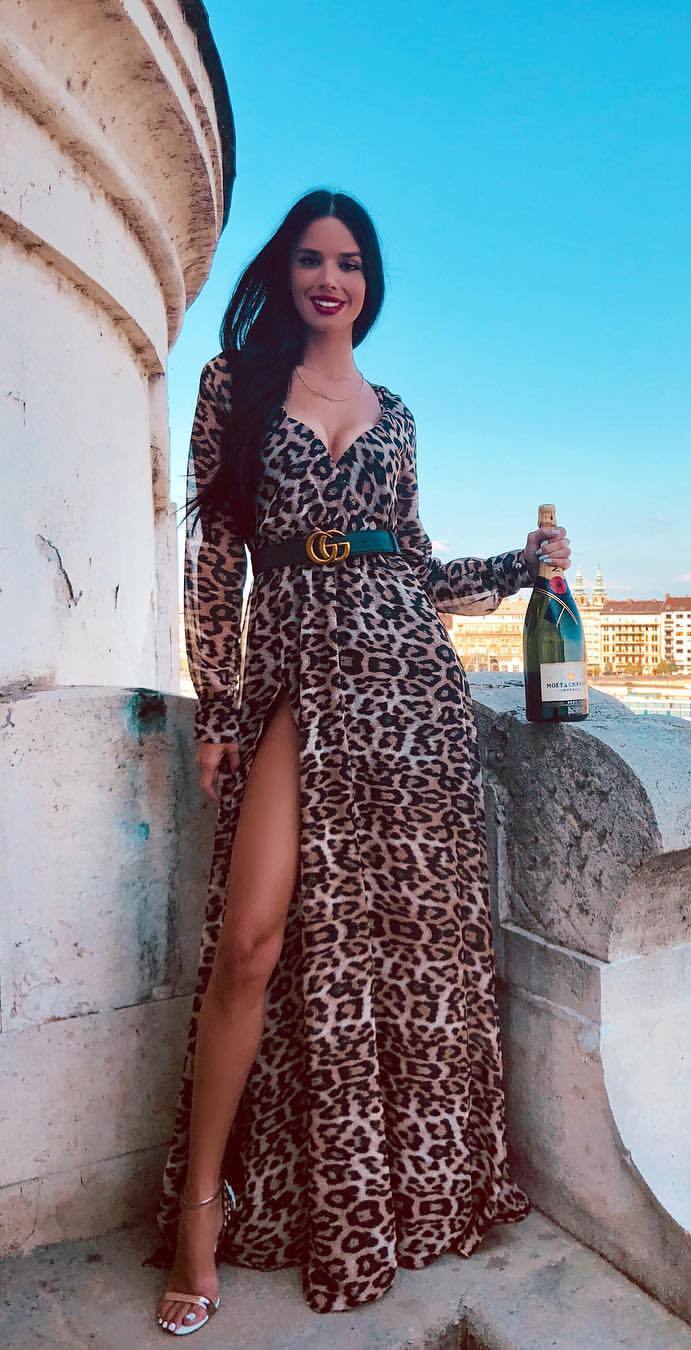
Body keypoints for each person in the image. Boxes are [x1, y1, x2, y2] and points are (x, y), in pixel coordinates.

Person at [151, 189, 570, 1335]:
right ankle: (198, 1209)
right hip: (299, 674)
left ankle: (397, 1191)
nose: (330, 279)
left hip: (409, 690)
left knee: (405, 953)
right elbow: (216, 561)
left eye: (349, 263)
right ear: (284, 273)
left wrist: (521, 564)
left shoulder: (398, 414)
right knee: (253, 942)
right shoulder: (234, 387)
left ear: (371, 283)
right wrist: (218, 709)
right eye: (311, 260)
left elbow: (415, 564)